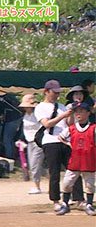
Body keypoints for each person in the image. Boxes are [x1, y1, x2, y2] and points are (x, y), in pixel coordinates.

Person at [34, 79, 79, 213]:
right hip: (50, 142)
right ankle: (55, 200)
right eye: (54, 92)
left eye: (58, 93)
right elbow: (47, 124)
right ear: (46, 92)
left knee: (74, 170)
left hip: (65, 141)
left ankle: (79, 198)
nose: (56, 95)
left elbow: (69, 124)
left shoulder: (62, 106)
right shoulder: (40, 107)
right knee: (54, 173)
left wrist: (69, 115)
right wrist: (63, 115)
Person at [57, 102, 96, 216]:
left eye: (81, 111)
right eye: (77, 112)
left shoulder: (93, 128)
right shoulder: (72, 128)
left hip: (89, 161)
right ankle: (65, 203)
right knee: (67, 182)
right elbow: (61, 137)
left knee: (89, 184)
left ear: (88, 113)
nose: (78, 114)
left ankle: (89, 204)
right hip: (75, 161)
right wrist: (69, 144)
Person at [18, 94, 45, 194]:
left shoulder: (38, 114)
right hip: (29, 142)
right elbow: (23, 129)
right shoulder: (25, 116)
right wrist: (21, 140)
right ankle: (50, 182)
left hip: (38, 142)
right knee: (32, 163)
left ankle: (36, 186)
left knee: (35, 164)